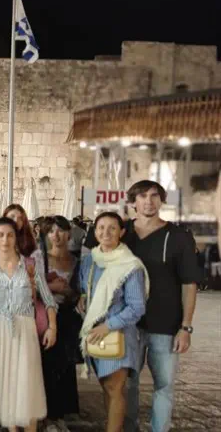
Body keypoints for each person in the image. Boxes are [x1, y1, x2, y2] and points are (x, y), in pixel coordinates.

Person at [122, 181, 203, 432]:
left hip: (165, 325)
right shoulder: (121, 233)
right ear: (132, 202)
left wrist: (186, 327)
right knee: (127, 385)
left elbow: (189, 283)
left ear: (162, 200)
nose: (149, 201)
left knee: (164, 385)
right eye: (142, 196)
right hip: (127, 324)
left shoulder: (178, 236)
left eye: (154, 196)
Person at [0, 218, 57, 432]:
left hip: (25, 330)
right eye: (0, 235)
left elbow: (49, 299)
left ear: (16, 238)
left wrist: (52, 327)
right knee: (6, 386)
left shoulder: (30, 266)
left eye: (10, 234)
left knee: (27, 384)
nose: (5, 239)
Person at [77, 212, 148, 432]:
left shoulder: (130, 265)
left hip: (118, 334)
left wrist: (107, 325)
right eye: (101, 228)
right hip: (95, 334)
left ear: (122, 232)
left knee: (115, 389)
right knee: (106, 388)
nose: (106, 233)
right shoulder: (89, 261)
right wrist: (82, 297)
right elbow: (85, 288)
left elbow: (137, 307)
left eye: (112, 228)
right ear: (94, 231)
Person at [33, 216, 82, 431]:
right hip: (45, 316)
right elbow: (34, 288)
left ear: (69, 233)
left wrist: (68, 290)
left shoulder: (76, 260)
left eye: (61, 230)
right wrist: (52, 288)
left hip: (68, 317)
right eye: (52, 231)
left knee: (65, 365)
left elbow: (79, 290)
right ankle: (45, 413)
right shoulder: (40, 259)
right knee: (46, 364)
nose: (56, 235)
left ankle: (61, 412)